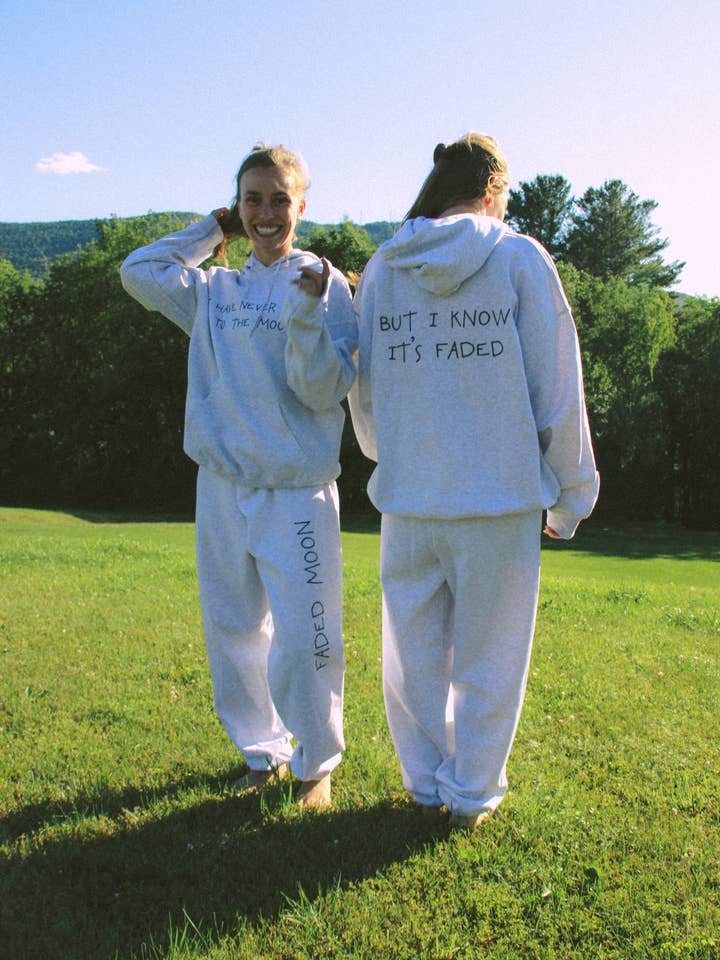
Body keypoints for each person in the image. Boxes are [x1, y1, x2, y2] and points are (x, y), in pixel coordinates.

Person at [349, 133, 599, 828]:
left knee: (412, 656)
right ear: (493, 189)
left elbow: (365, 391)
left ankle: (426, 783)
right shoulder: (518, 257)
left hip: (410, 498)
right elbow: (557, 387)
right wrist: (572, 494)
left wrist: (391, 454)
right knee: (492, 655)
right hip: (498, 499)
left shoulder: (386, 264)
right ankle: (471, 794)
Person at [120, 144, 357, 808]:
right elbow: (139, 270)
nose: (266, 213)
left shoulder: (322, 282)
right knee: (233, 627)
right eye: (252, 200)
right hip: (222, 482)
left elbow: (326, 388)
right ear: (238, 206)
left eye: (280, 199)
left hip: (296, 489)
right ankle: (262, 751)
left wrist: (307, 313)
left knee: (307, 636)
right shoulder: (213, 291)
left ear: (301, 205)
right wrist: (213, 230)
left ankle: (316, 765)